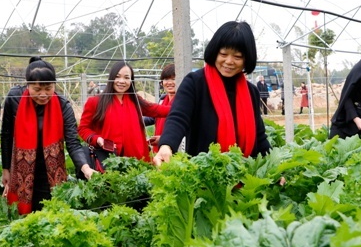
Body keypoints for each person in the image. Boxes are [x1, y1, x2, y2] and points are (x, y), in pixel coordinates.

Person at [153, 20, 271, 166]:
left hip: (245, 178)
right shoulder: (195, 83)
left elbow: (259, 138)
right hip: (204, 180)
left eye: (238, 56)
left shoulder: (251, 91)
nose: (229, 61)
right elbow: (178, 118)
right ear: (215, 52)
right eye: (223, 54)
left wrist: (274, 167)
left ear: (247, 59)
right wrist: (166, 145)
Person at [1, 56, 95, 215]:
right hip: (21, 173)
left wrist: (86, 168)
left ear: (54, 85)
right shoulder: (14, 98)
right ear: (28, 85)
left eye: (48, 88)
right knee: (22, 216)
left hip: (52, 174)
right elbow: (6, 135)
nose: (43, 94)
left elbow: (73, 142)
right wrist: (5, 170)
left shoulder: (63, 104)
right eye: (37, 89)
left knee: (50, 215)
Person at [78, 60, 171, 162]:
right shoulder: (95, 102)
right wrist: (97, 139)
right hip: (108, 159)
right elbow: (83, 128)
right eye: (117, 76)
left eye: (126, 78)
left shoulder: (134, 100)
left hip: (137, 159)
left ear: (131, 81)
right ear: (111, 78)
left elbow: (156, 110)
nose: (122, 81)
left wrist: (182, 108)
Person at [148, 64, 180, 153]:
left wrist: (164, 139)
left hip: (177, 150)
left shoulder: (183, 102)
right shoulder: (162, 100)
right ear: (162, 82)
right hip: (159, 150)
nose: (169, 82)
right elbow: (153, 117)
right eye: (166, 79)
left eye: (173, 79)